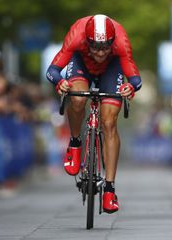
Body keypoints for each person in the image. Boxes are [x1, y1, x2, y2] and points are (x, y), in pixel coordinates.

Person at [46, 14, 142, 213]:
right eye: (96, 47)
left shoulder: (121, 42)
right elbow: (52, 70)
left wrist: (129, 87)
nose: (100, 53)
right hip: (80, 63)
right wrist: (60, 82)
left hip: (112, 68)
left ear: (112, 42)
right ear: (86, 41)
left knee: (108, 123)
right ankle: (74, 143)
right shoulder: (76, 35)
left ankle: (109, 188)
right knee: (78, 99)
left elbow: (136, 79)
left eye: (106, 46)